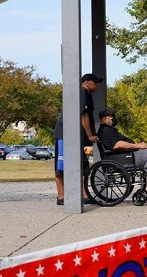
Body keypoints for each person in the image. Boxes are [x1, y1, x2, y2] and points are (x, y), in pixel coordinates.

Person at [54, 73, 102, 205]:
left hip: (75, 136)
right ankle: (61, 196)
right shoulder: (82, 91)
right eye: (95, 81)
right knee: (61, 166)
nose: (97, 84)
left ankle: (84, 194)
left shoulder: (86, 93)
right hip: (65, 134)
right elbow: (84, 115)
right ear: (86, 82)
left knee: (82, 164)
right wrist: (90, 135)